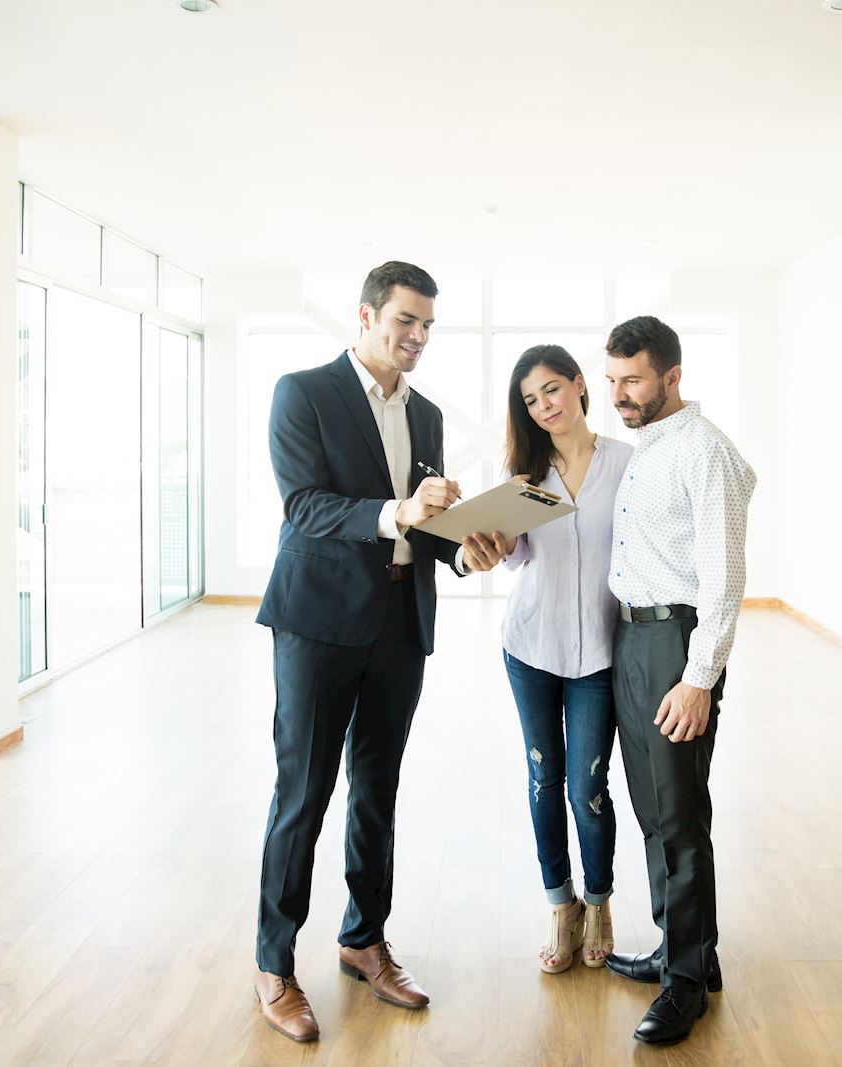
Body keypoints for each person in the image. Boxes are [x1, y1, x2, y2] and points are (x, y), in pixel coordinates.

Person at [252, 262, 507, 1043]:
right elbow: (306, 508)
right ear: (365, 315)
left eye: (428, 325)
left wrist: (467, 552)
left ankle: (365, 939)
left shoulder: (424, 414)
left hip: (400, 626)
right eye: (406, 320)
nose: (418, 336)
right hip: (317, 626)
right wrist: (401, 508)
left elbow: (423, 529)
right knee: (304, 792)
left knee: (377, 790)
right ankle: (274, 964)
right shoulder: (303, 392)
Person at [599, 316, 756, 1046]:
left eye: (632, 380)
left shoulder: (705, 452)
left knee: (680, 813)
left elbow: (725, 577)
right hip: (632, 634)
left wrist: (699, 677)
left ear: (672, 376)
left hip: (676, 642)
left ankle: (685, 983)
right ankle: (684, 949)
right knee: (654, 809)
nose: (619, 394)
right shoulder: (645, 448)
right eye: (612, 381)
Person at [497, 345, 633, 974]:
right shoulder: (525, 476)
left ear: (580, 386)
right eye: (530, 400)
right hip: (531, 646)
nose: (544, 407)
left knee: (588, 786)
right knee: (543, 780)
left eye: (552, 390)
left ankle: (600, 901)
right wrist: (495, 536)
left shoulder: (628, 465)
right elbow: (514, 557)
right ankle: (562, 905)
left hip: (602, 652)